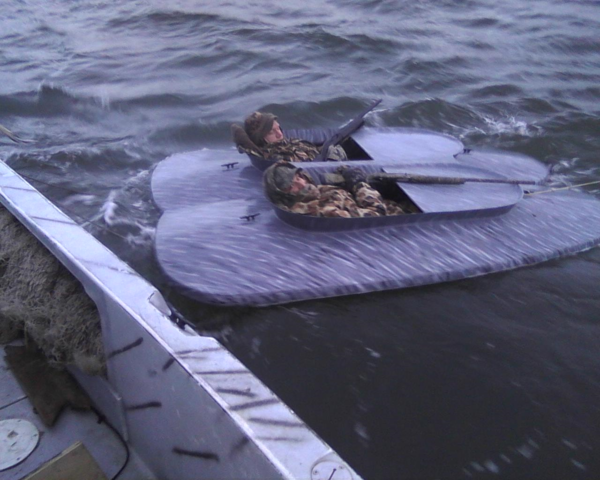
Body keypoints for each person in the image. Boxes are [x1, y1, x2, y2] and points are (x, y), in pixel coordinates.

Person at [264, 161, 406, 218]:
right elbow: (377, 214)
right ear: (284, 195)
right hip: (395, 219)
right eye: (291, 186)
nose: (301, 184)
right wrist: (359, 185)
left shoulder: (313, 193)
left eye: (298, 177)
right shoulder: (320, 210)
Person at [231, 111, 347, 163]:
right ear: (261, 138)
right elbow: (308, 168)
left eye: (278, 128)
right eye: (272, 132)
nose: (279, 134)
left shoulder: (289, 142)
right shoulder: (277, 156)